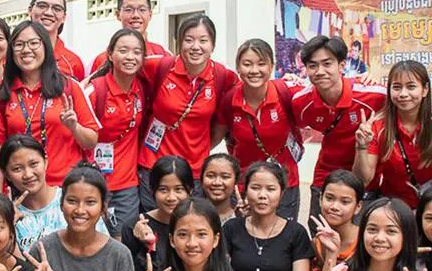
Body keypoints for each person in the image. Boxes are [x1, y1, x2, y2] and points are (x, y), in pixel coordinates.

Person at [0, 20, 99, 191]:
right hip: (23, 190)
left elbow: (91, 141)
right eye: (19, 44)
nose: (26, 50)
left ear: (45, 46)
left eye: (33, 43)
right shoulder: (2, 94)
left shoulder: (68, 87)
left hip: (67, 189)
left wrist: (74, 127)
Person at [137, 15, 238, 210]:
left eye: (203, 40)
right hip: (154, 166)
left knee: (188, 228)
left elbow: (249, 87)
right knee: (154, 227)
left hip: (194, 170)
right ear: (179, 42)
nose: (196, 46)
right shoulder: (160, 67)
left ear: (213, 45)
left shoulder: (221, 75)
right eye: (189, 40)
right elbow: (121, 67)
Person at [290, 36, 386, 225]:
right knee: (319, 233)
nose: (320, 72)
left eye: (327, 64)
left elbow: (402, 99)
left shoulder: (373, 94)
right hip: (325, 177)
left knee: (362, 238)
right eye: (312, 66)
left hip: (364, 179)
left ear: (342, 66)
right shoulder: (301, 103)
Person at [354, 60, 432, 209]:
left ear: (425, 89)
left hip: (431, 205)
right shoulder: (377, 126)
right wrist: (361, 147)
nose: (403, 94)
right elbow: (364, 179)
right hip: (393, 206)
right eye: (396, 87)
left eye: (411, 87)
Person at [225, 38, 304, 220]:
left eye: (261, 64)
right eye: (247, 64)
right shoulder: (229, 100)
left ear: (271, 66)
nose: (254, 70)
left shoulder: (286, 91)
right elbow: (217, 134)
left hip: (284, 184)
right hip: (247, 186)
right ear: (238, 67)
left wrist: (363, 79)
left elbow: (323, 89)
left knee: (283, 240)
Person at [0, 134, 109, 256]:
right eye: (17, 169)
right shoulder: (7, 215)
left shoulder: (72, 201)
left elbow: (104, 251)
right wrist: (9, 225)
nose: (28, 174)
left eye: (34, 164)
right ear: (7, 174)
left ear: (45, 162)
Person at [85, 27, 148, 235]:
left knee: (122, 243)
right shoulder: (95, 90)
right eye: (123, 51)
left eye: (137, 52)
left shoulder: (142, 88)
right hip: (92, 182)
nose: (130, 57)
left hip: (126, 185)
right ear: (110, 54)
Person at [88, 0, 170, 73]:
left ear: (150, 14)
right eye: (128, 10)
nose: (136, 15)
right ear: (118, 15)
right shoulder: (101, 60)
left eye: (142, 10)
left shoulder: (162, 54)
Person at [28, 0, 84, 81]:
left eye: (57, 9)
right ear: (30, 10)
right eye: (42, 6)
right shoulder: (14, 56)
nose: (49, 13)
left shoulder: (73, 63)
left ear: (64, 17)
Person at [201, 153, 243, 224]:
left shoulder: (243, 217)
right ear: (201, 179)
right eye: (211, 176)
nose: (217, 182)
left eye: (225, 177)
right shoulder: (189, 216)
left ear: (235, 182)